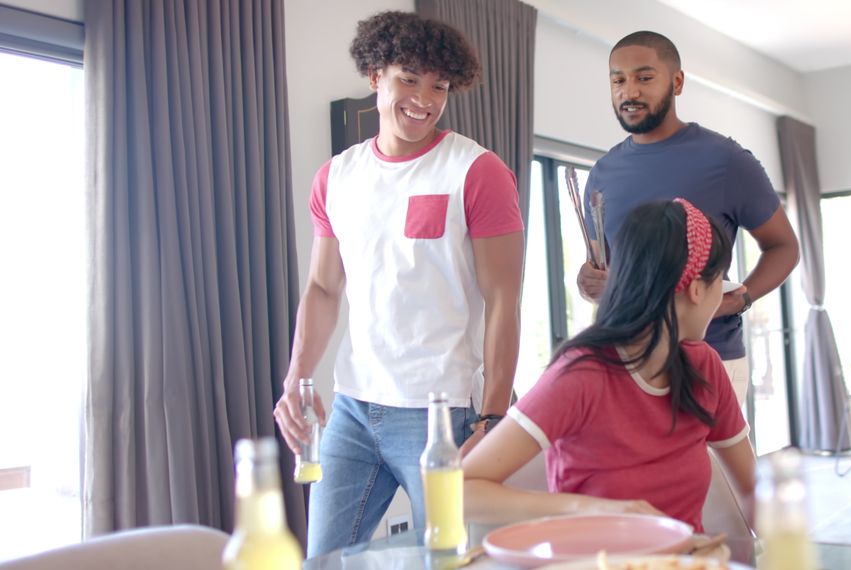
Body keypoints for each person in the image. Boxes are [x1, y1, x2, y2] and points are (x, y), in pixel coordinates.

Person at [272, 11, 524, 557]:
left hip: (442, 409)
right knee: (322, 560)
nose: (425, 98)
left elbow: (504, 299)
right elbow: (322, 288)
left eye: (439, 85)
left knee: (454, 557)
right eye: (409, 78)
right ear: (374, 75)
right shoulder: (336, 176)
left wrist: (495, 416)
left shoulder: (476, 171)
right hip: (353, 406)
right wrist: (297, 377)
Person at [463, 199, 756, 532]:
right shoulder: (581, 376)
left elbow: (753, 492)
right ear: (698, 290)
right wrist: (586, 509)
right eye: (721, 280)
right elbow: (462, 491)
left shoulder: (704, 366)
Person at [578, 31, 800, 406]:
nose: (629, 91)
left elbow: (784, 247)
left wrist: (741, 298)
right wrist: (588, 282)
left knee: (710, 468)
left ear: (676, 82)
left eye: (644, 78)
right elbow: (603, 267)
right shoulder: (602, 173)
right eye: (618, 80)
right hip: (626, 360)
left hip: (708, 358)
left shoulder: (726, 160)